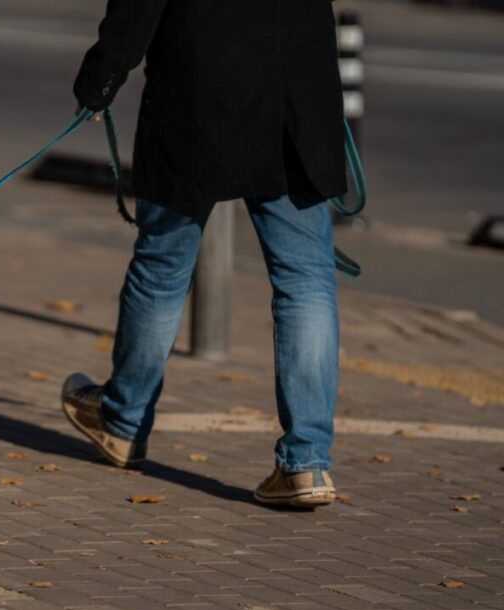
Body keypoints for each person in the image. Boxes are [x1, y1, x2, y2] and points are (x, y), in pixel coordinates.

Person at [61, 0, 346, 507]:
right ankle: (306, 463)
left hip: (199, 95)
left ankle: (123, 421)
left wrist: (99, 81)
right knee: (305, 280)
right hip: (296, 92)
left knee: (162, 269)